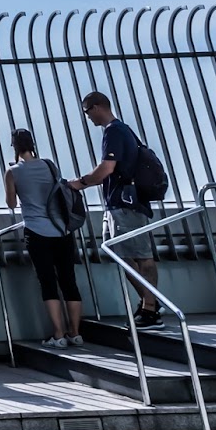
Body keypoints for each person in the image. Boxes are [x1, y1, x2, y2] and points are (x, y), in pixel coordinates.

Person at [68, 92, 165, 327]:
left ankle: (150, 307)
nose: (87, 117)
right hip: (124, 202)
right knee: (122, 254)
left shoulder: (113, 131)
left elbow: (106, 169)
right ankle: (149, 302)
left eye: (86, 111)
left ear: (98, 106)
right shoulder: (124, 130)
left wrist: (78, 183)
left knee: (140, 255)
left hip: (124, 203)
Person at [4, 129, 84, 348]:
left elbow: (11, 203)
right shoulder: (50, 165)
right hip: (62, 230)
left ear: (15, 147)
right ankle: (75, 333)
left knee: (48, 282)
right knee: (69, 280)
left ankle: (58, 335)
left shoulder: (12, 172)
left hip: (36, 231)